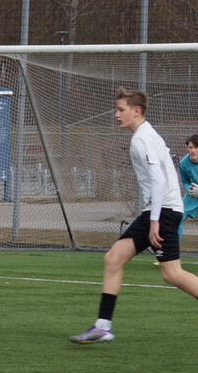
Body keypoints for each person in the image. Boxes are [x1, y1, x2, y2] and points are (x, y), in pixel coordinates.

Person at [72, 89, 198, 344]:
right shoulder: (145, 134)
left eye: (121, 109)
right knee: (113, 259)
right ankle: (103, 326)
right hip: (159, 210)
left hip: (163, 211)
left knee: (172, 274)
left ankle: (103, 326)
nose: (116, 114)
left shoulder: (142, 139)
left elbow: (158, 181)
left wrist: (154, 221)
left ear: (136, 111)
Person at [177, 134, 198, 236]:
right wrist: (189, 189)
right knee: (178, 216)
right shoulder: (183, 163)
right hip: (193, 194)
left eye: (196, 147)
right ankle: (174, 244)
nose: (193, 150)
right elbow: (185, 181)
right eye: (190, 147)